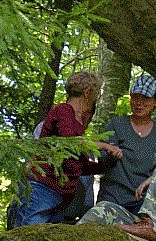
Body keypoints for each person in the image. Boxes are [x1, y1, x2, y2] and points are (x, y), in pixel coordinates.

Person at [10, 70, 121, 227]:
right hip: (41, 188)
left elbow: (79, 165)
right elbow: (69, 142)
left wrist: (107, 163)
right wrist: (104, 145)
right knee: (27, 235)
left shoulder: (77, 125)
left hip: (58, 197)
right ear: (88, 94)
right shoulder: (64, 111)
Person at [80, 74, 156, 218]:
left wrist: (154, 178)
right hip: (111, 199)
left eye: (145, 98)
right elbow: (102, 161)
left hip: (144, 204)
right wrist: (111, 155)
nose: (139, 103)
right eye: (135, 97)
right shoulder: (116, 125)